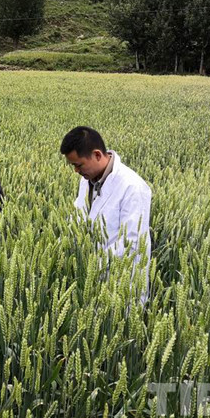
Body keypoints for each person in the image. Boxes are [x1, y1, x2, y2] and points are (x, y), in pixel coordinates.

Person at [60, 126, 152, 301]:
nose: (76, 171)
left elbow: (132, 242)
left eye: (78, 165)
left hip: (122, 283)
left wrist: (93, 264)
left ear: (96, 155)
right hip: (91, 281)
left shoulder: (133, 187)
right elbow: (78, 216)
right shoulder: (86, 180)